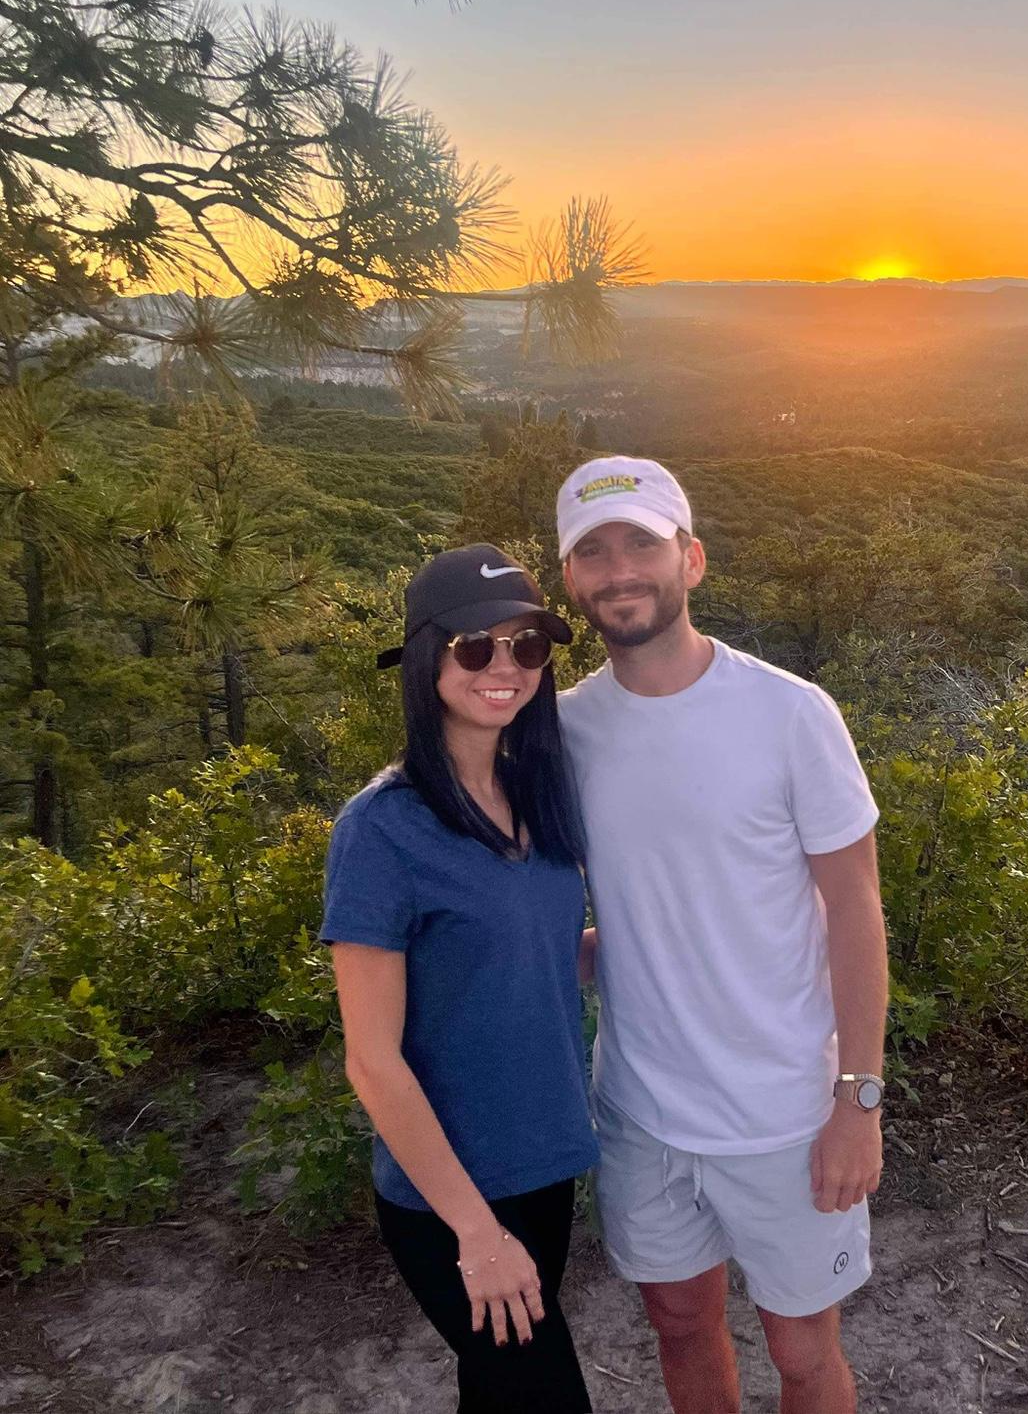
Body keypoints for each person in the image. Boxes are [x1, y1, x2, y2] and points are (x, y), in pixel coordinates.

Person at [555, 457, 889, 1414]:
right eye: (594, 552)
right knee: (681, 1324)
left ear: (691, 560)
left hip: (783, 1114)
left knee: (801, 1355)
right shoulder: (566, 728)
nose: (620, 569)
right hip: (640, 1115)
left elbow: (856, 909)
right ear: (573, 581)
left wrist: (856, 1099)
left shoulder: (789, 714)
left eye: (642, 544)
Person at [322, 545, 597, 1413]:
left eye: (527, 645)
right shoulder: (382, 830)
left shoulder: (541, 795)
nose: (504, 668)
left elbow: (539, 959)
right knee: (546, 1397)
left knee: (496, 1388)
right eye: (475, 648)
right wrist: (474, 1232)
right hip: (452, 1196)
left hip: (543, 1159)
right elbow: (372, 1062)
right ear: (424, 660)